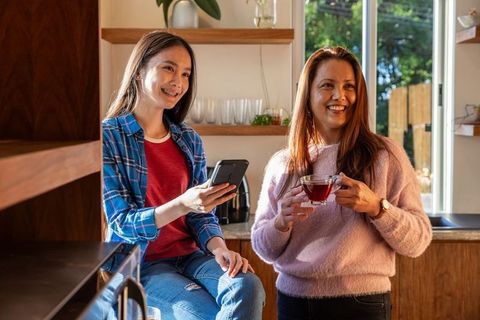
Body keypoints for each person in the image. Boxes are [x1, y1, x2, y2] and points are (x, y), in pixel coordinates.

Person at [251, 46, 432, 320]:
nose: (340, 96)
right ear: (308, 94)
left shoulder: (386, 156)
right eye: (327, 85)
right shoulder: (283, 163)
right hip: (294, 302)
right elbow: (263, 248)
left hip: (361, 303)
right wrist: (280, 222)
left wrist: (377, 207)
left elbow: (418, 241)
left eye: (349, 86)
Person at [102, 30, 265, 320]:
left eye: (186, 74)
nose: (179, 82)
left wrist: (220, 249)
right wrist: (184, 202)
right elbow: (121, 223)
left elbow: (201, 215)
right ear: (139, 71)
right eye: (169, 68)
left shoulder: (188, 140)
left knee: (247, 286)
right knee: (203, 314)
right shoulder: (109, 137)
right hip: (143, 263)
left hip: (194, 257)